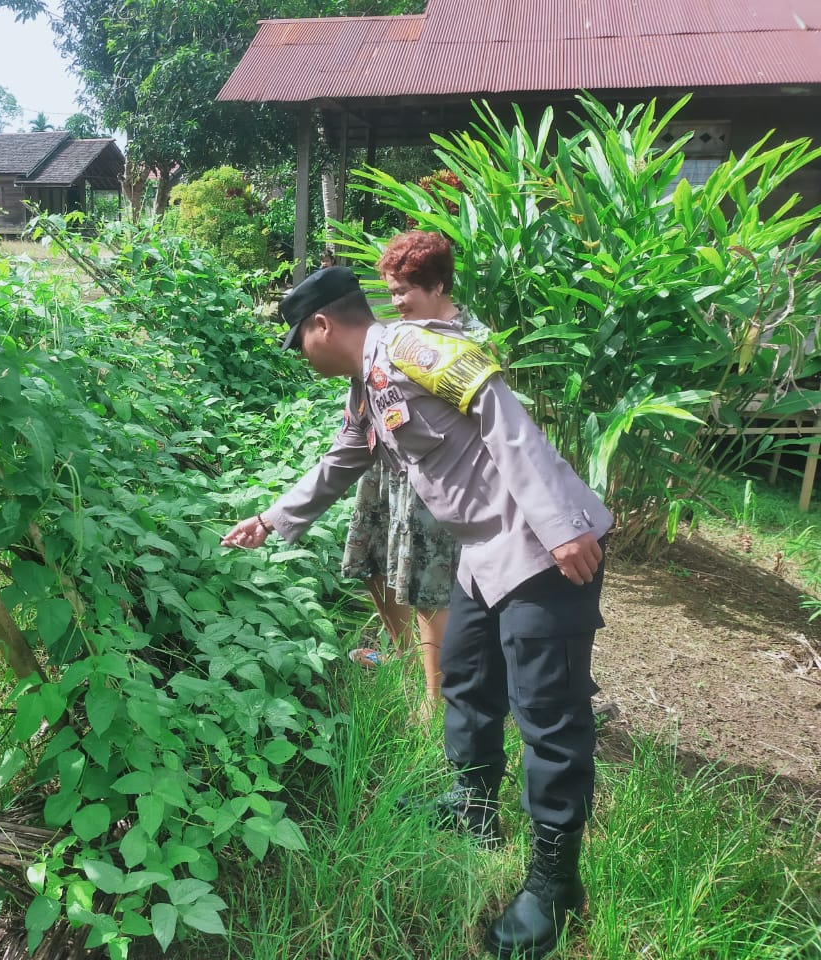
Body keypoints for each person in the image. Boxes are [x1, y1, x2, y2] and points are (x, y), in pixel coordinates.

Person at [222, 259, 611, 960]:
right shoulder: (366, 384)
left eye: (297, 340)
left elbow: (501, 411)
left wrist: (560, 525)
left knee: (548, 720)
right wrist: (273, 519)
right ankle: (473, 811)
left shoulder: (408, 347)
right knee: (465, 679)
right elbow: (345, 458)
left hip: (542, 550)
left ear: (320, 326)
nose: (299, 354)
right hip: (485, 555)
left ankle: (554, 886)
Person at [341, 233, 491, 723]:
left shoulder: (469, 338)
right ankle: (404, 662)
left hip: (434, 478)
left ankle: (433, 699)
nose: (396, 301)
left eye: (405, 290)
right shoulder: (398, 335)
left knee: (427, 583)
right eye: (391, 291)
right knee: (375, 563)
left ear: (440, 284)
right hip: (386, 466)